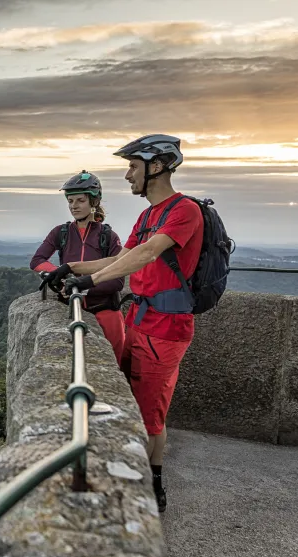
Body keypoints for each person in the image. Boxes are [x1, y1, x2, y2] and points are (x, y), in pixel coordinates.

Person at [56, 134, 204, 513]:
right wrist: (71, 268)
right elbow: (119, 259)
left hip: (165, 329)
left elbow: (147, 253)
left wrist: (90, 282)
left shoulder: (185, 211)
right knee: (130, 400)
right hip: (137, 318)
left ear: (158, 166)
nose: (127, 175)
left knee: (150, 412)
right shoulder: (148, 215)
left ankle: (149, 483)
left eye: (133, 167)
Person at [30, 170, 126, 365]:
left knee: (115, 366)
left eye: (80, 200)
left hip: (105, 311)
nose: (74, 206)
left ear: (94, 201)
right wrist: (60, 276)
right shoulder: (61, 232)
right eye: (70, 201)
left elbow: (117, 280)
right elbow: (37, 260)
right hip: (70, 307)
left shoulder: (108, 236)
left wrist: (83, 286)